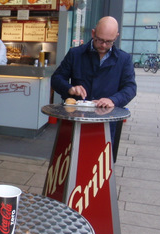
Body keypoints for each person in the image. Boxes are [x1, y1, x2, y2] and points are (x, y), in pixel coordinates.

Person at [51, 16, 137, 144]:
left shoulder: (124, 59)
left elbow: (130, 88)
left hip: (106, 123)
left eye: (109, 42)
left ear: (116, 37)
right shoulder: (75, 54)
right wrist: (70, 88)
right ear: (93, 33)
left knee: (101, 161)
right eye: (99, 40)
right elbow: (56, 79)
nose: (103, 45)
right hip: (76, 121)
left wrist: (113, 100)